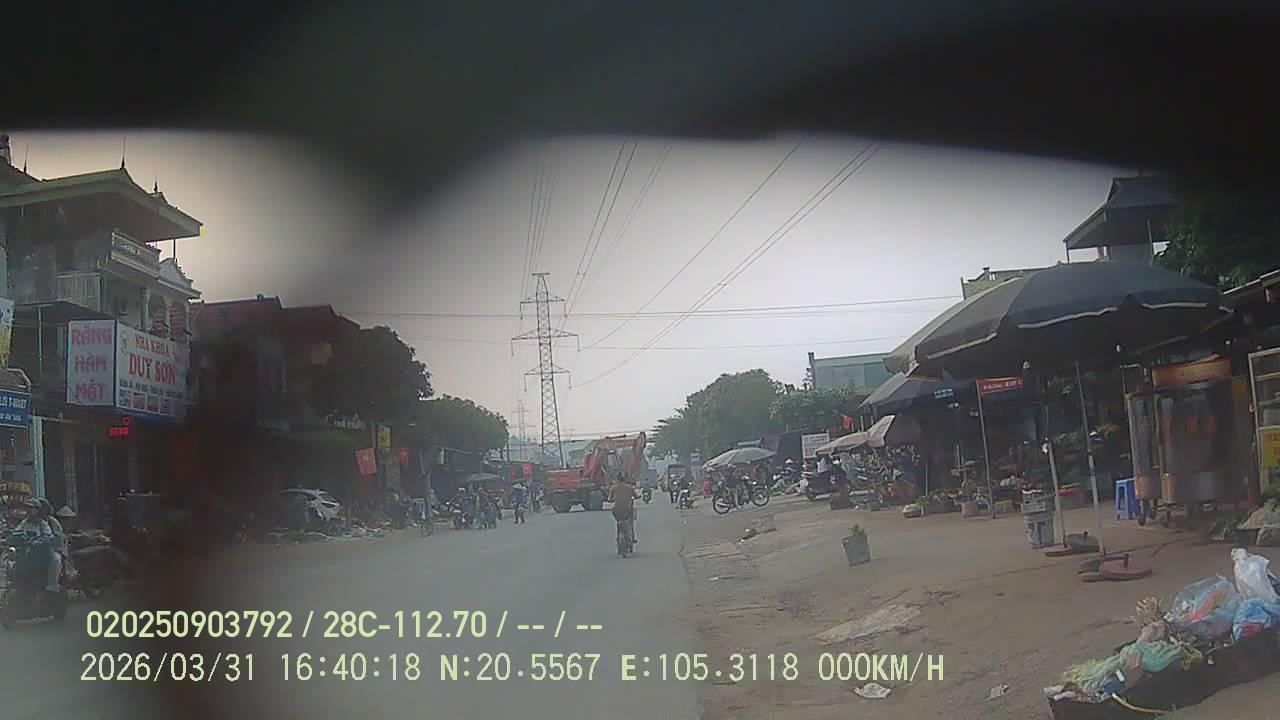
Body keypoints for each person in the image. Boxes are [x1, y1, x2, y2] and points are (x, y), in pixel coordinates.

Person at [608, 472, 637, 547]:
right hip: (627, 509)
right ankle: (632, 536)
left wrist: (612, 500)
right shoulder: (629, 487)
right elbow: (636, 496)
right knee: (630, 522)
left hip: (616, 509)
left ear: (617, 479)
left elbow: (610, 498)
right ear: (625, 479)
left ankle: (618, 536)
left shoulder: (613, 487)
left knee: (618, 522)